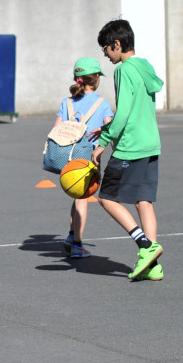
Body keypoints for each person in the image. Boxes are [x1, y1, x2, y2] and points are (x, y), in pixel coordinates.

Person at [92, 19, 165, 281]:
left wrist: (103, 143)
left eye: (106, 49)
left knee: (107, 198)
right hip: (150, 144)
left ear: (117, 44)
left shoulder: (123, 71)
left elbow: (122, 113)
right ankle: (153, 265)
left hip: (130, 147)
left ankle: (146, 246)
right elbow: (135, 109)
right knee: (143, 201)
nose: (106, 55)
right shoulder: (145, 66)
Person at [52, 58, 113, 258]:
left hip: (69, 155)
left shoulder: (67, 102)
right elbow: (110, 128)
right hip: (89, 156)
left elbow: (56, 129)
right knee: (83, 199)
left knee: (76, 193)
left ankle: (71, 235)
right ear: (95, 78)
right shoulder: (101, 103)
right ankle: (77, 244)